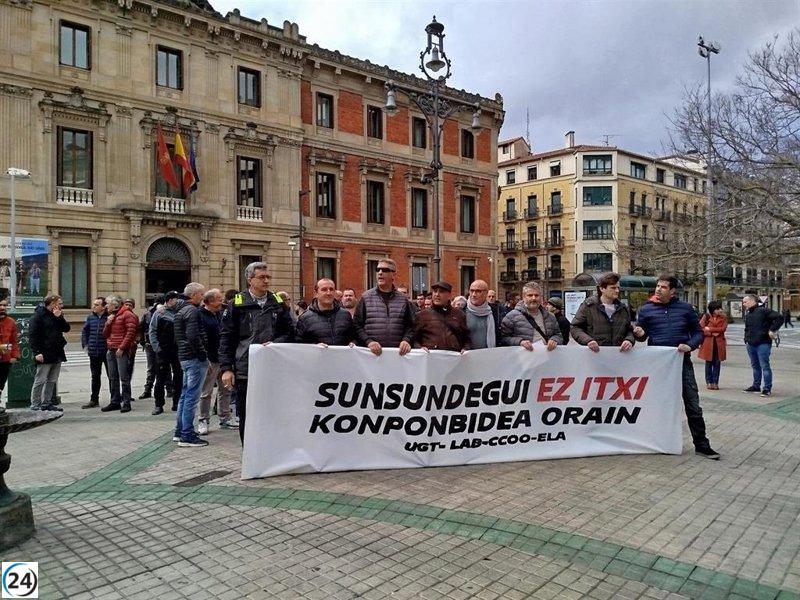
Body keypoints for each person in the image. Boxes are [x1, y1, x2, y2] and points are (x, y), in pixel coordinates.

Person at [634, 274, 719, 459]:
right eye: (657, 286)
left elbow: (698, 333)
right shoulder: (646, 309)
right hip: (658, 365)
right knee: (657, 404)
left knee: (692, 404)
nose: (658, 289)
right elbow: (642, 335)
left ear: (672, 291)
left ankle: (702, 444)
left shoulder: (686, 309)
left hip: (681, 362)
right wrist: (639, 333)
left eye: (663, 287)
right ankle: (656, 441)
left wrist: (690, 345)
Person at [220, 262, 294, 445]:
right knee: (247, 414)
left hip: (273, 368)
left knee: (273, 412)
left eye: (268, 277)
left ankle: (271, 451)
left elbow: (290, 332)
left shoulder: (277, 303)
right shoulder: (236, 304)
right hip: (246, 370)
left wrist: (276, 343)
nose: (266, 280)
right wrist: (226, 369)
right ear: (250, 280)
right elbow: (226, 338)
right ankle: (250, 453)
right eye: (262, 277)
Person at [353, 258, 414, 357]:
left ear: (394, 275)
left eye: (385, 270)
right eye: (378, 270)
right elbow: (356, 325)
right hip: (371, 356)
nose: (380, 273)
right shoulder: (365, 297)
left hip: (397, 356)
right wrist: (368, 341)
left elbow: (411, 325)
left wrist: (406, 340)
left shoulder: (403, 300)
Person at [173, 282, 209, 447]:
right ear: (194, 295)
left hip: (185, 357)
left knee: (185, 395)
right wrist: (202, 354)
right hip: (194, 358)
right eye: (201, 295)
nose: (203, 298)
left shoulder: (180, 310)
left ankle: (180, 431)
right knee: (191, 397)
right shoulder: (192, 311)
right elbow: (193, 336)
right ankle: (187, 434)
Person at [197, 288, 236, 434]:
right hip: (210, 359)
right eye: (219, 299)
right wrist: (204, 357)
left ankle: (225, 418)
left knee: (225, 389)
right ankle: (203, 419)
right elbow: (200, 337)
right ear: (210, 301)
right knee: (206, 392)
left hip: (223, 358)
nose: (222, 301)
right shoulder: (200, 315)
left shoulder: (221, 314)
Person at [570, 272, 634, 352]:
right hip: (595, 356)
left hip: (618, 356)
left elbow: (629, 330)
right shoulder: (589, 306)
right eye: (613, 288)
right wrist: (588, 340)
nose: (617, 291)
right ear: (602, 289)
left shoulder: (623, 308)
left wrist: (629, 340)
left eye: (618, 288)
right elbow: (575, 327)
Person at [28, 294, 69, 411]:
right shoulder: (38, 316)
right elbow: (33, 336)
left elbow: (66, 328)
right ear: (52, 304)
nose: (61, 306)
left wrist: (59, 317)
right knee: (40, 379)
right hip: (44, 352)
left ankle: (47, 402)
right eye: (59, 303)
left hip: (57, 352)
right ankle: (35, 404)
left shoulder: (57, 315)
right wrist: (36, 352)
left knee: (52, 379)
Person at [102, 295, 139, 413]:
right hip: (111, 348)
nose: (106, 306)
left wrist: (122, 347)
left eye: (108, 303)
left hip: (120, 350)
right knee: (112, 377)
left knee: (124, 377)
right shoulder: (112, 316)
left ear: (115, 304)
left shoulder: (127, 314)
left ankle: (126, 402)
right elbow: (105, 334)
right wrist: (108, 323)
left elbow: (131, 332)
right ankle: (115, 401)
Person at [741, 294, 783, 397]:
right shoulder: (748, 314)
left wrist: (772, 330)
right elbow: (747, 328)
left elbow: (779, 317)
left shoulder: (763, 311)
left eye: (745, 302)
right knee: (755, 365)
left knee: (764, 365)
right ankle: (756, 386)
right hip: (750, 343)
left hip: (763, 343)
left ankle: (767, 388)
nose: (743, 304)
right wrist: (746, 339)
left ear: (752, 301)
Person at [500, 282, 562, 350]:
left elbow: (558, 335)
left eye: (536, 295)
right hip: (521, 359)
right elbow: (503, 339)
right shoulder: (511, 317)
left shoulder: (550, 316)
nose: (533, 298)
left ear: (541, 297)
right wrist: (520, 342)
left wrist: (554, 340)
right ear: (523, 297)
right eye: (530, 295)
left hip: (546, 358)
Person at [296, 278, 356, 346]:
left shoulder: (345, 315)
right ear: (316, 293)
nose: (328, 293)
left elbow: (354, 337)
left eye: (331, 289)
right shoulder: (305, 318)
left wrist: (353, 343)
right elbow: (299, 345)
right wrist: (314, 347)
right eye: (324, 289)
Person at [412, 281, 470, 352]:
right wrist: (420, 348)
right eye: (435, 291)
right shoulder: (422, 315)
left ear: (449, 295)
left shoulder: (459, 315)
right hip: (430, 359)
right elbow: (414, 339)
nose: (437, 295)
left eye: (441, 292)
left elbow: (467, 338)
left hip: (454, 360)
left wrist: (465, 349)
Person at [151, 292, 184, 414]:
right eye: (176, 300)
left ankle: (177, 403)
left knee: (179, 377)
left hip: (177, 350)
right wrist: (157, 348)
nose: (178, 302)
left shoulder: (180, 312)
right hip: (163, 350)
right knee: (160, 378)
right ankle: (158, 404)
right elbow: (152, 331)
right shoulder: (159, 313)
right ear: (170, 300)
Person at [81, 297, 109, 409]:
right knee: (95, 376)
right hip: (94, 351)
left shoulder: (109, 317)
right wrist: (86, 345)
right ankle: (94, 399)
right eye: (94, 304)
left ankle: (115, 399)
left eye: (97, 304)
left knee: (111, 376)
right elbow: (85, 331)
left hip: (106, 351)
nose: (94, 306)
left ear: (103, 307)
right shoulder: (90, 317)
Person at [698, 300, 727, 390]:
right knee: (708, 363)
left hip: (719, 343)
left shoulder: (723, 318)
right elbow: (701, 328)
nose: (720, 310)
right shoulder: (706, 317)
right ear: (713, 310)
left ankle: (715, 382)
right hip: (708, 343)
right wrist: (712, 333)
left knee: (717, 363)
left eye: (720, 308)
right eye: (718, 309)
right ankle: (709, 382)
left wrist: (709, 329)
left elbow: (722, 329)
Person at [464, 279, 501, 349]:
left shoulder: (495, 311)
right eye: (472, 291)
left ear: (486, 293)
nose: (474, 294)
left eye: (478, 291)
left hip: (489, 356)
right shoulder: (462, 311)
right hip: (468, 356)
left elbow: (501, 335)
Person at [138, 297, 162, 400]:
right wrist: (144, 342)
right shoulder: (147, 314)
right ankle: (147, 390)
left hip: (161, 345)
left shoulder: (165, 313)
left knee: (163, 367)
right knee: (151, 368)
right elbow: (141, 328)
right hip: (150, 345)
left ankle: (170, 389)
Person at [0, 299, 21, 400]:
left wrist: (15, 356)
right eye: (0, 305)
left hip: (5, 359)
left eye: (5, 305)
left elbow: (14, 341)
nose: (3, 308)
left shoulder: (11, 322)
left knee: (1, 384)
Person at [123, 298, 139, 382]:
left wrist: (135, 341)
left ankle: (127, 390)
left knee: (129, 367)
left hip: (131, 347)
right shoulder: (119, 316)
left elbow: (138, 331)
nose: (128, 307)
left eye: (130, 305)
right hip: (120, 346)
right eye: (126, 304)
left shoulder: (135, 317)